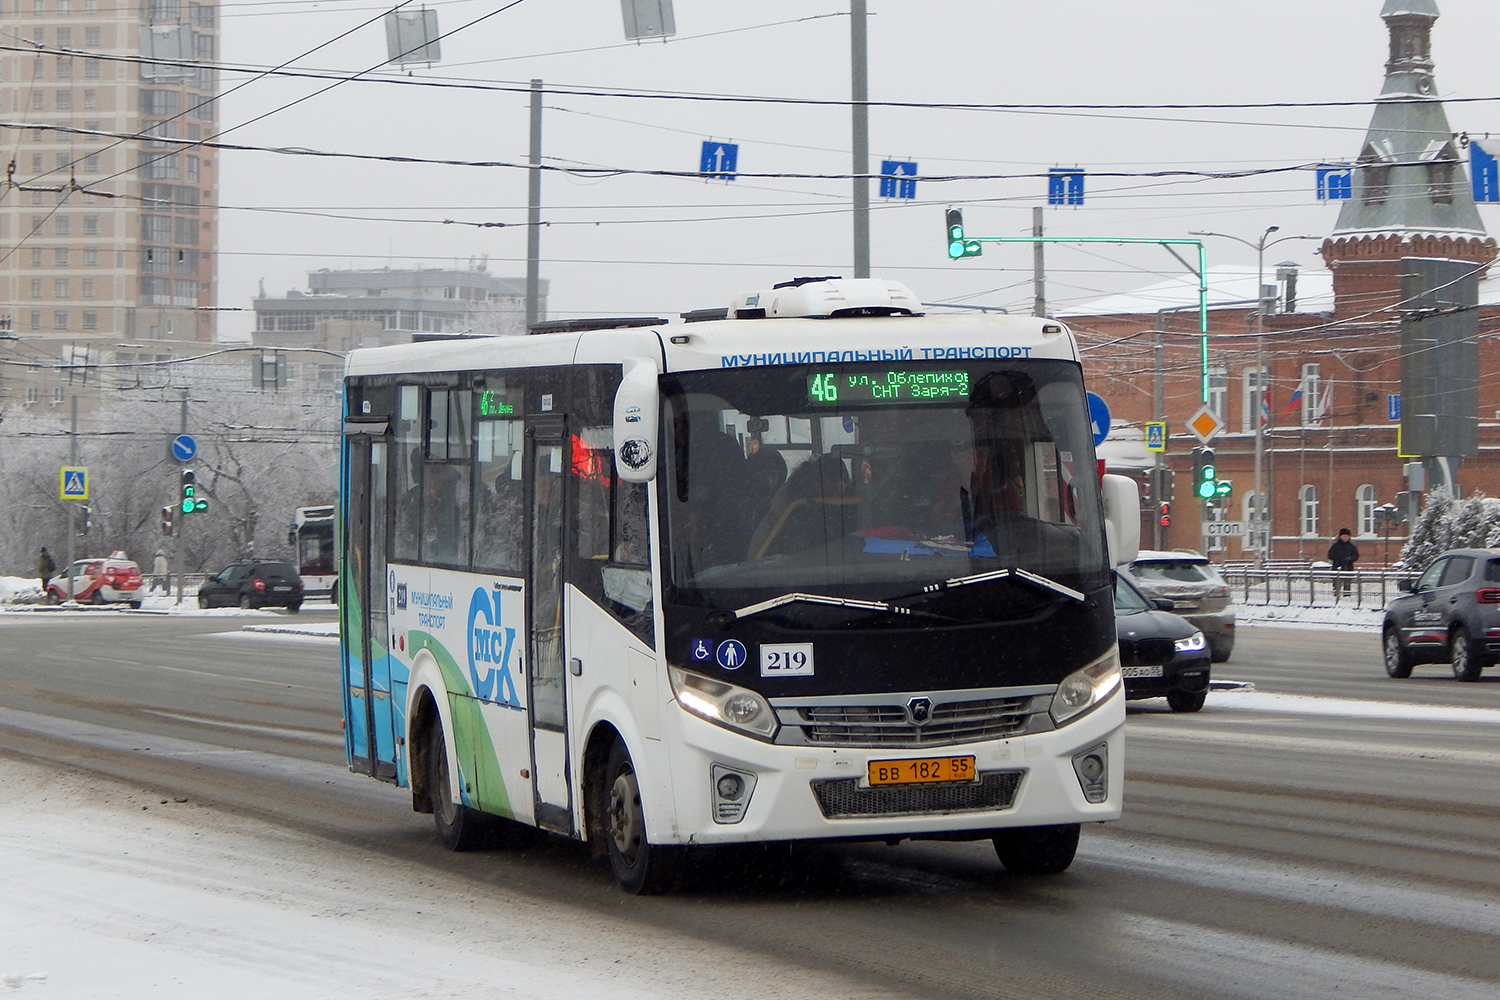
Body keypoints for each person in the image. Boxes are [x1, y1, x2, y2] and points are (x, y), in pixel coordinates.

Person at [1328, 528, 1360, 597]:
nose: (1345, 538)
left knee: (1347, 584)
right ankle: (1336, 597)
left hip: (1348, 568)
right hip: (1336, 568)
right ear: (1340, 536)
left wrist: (1350, 558)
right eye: (1343, 536)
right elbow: (1330, 555)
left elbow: (1356, 556)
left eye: (1346, 536)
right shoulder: (1335, 546)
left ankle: (1347, 597)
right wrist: (1337, 558)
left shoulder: (1351, 546)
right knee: (1336, 584)